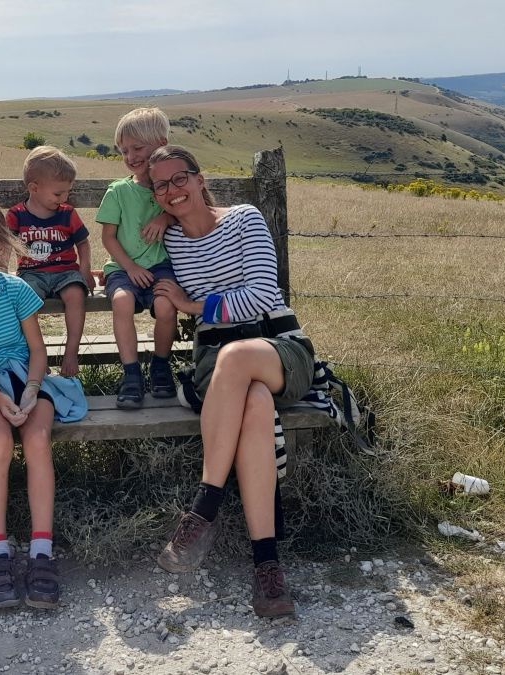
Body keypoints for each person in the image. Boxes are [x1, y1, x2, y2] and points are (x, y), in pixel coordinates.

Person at [146, 144, 315, 618]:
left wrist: (196, 307)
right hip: (215, 362)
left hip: (277, 345)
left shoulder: (244, 218)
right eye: (160, 185)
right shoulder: (170, 241)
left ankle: (204, 506)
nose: (173, 191)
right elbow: (125, 264)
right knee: (255, 402)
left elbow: (264, 295)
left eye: (180, 178)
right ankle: (267, 566)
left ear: (200, 179)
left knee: (241, 359)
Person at [0, 196, 87, 611]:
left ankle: (41, 548)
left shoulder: (15, 290)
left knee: (38, 440)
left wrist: (30, 390)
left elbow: (37, 350)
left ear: (3, 248)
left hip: (25, 379)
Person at [95, 107, 179, 409]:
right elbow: (108, 237)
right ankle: (131, 374)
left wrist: (165, 218)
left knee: (167, 304)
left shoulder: (168, 189)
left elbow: (188, 211)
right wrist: (129, 267)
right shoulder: (118, 191)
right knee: (121, 301)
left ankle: (160, 365)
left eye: (138, 148)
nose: (130, 156)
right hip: (123, 267)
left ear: (161, 142)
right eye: (124, 150)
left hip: (161, 267)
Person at [6, 146, 95, 377]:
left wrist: (84, 271)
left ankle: (71, 352)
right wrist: (1, 274)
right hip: (31, 272)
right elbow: (5, 244)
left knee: (76, 294)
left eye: (67, 192)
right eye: (58, 194)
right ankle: (38, 356)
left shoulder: (67, 213)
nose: (64, 198)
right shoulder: (16, 215)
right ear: (34, 189)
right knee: (26, 300)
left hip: (66, 271)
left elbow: (83, 243)